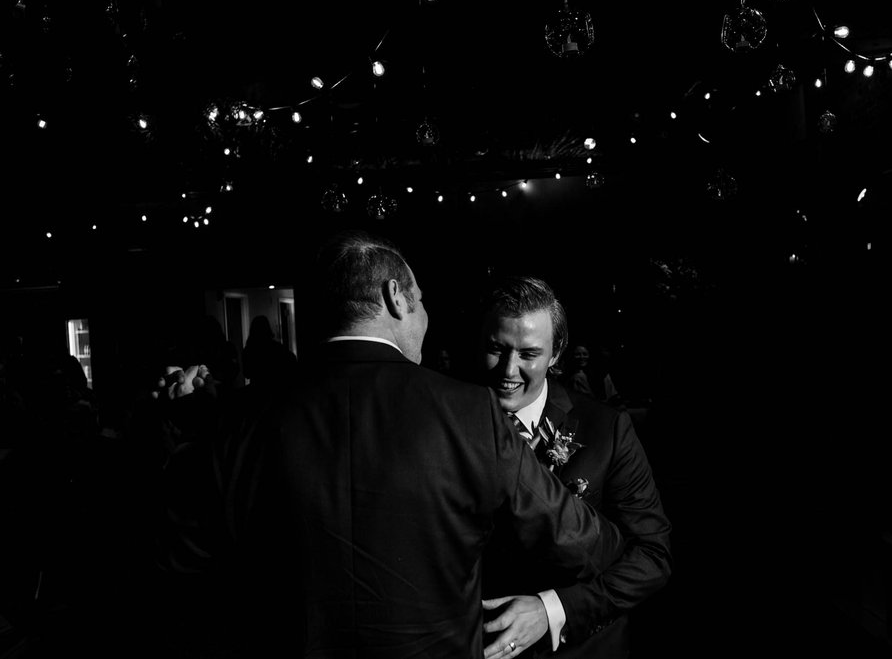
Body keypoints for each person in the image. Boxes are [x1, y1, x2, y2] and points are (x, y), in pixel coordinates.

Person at [157, 230, 626, 659]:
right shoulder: (468, 412)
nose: (424, 316)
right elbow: (581, 543)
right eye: (420, 300)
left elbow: (188, 571)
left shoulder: (239, 417)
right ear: (396, 298)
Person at [478, 276, 672, 658]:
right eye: (496, 349)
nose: (508, 370)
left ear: (555, 354)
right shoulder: (447, 418)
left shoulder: (606, 428)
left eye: (529, 354)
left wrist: (556, 609)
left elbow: (652, 555)